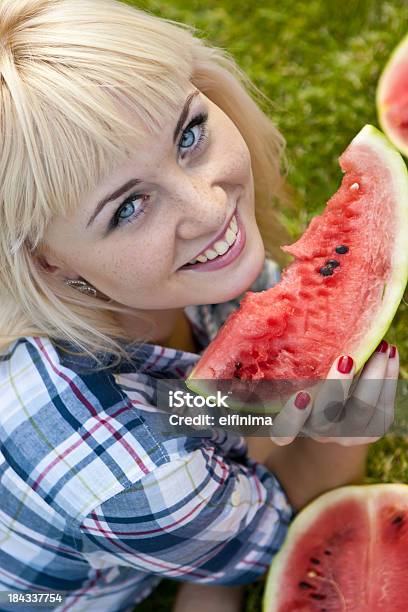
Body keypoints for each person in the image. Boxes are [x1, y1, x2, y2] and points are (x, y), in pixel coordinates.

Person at [0, 0, 399, 610]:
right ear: (48, 263)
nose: (210, 209)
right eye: (127, 208)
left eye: (189, 134)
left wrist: (267, 409)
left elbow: (216, 406)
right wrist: (336, 436)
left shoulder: (157, 280)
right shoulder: (137, 476)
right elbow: (274, 533)